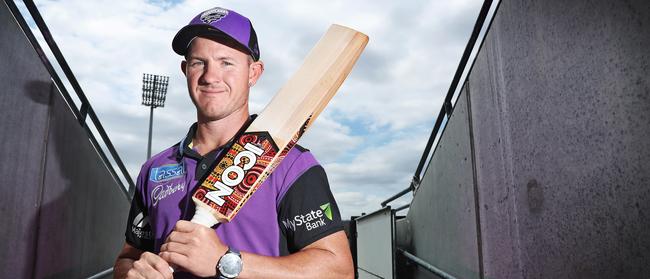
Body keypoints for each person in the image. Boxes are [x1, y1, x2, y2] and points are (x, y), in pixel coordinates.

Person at [113, 6, 353, 279]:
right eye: (198, 62)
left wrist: (226, 261)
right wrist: (134, 272)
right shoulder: (154, 170)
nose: (210, 76)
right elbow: (127, 258)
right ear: (185, 70)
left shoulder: (290, 164)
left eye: (226, 62)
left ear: (253, 73)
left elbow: (339, 271)